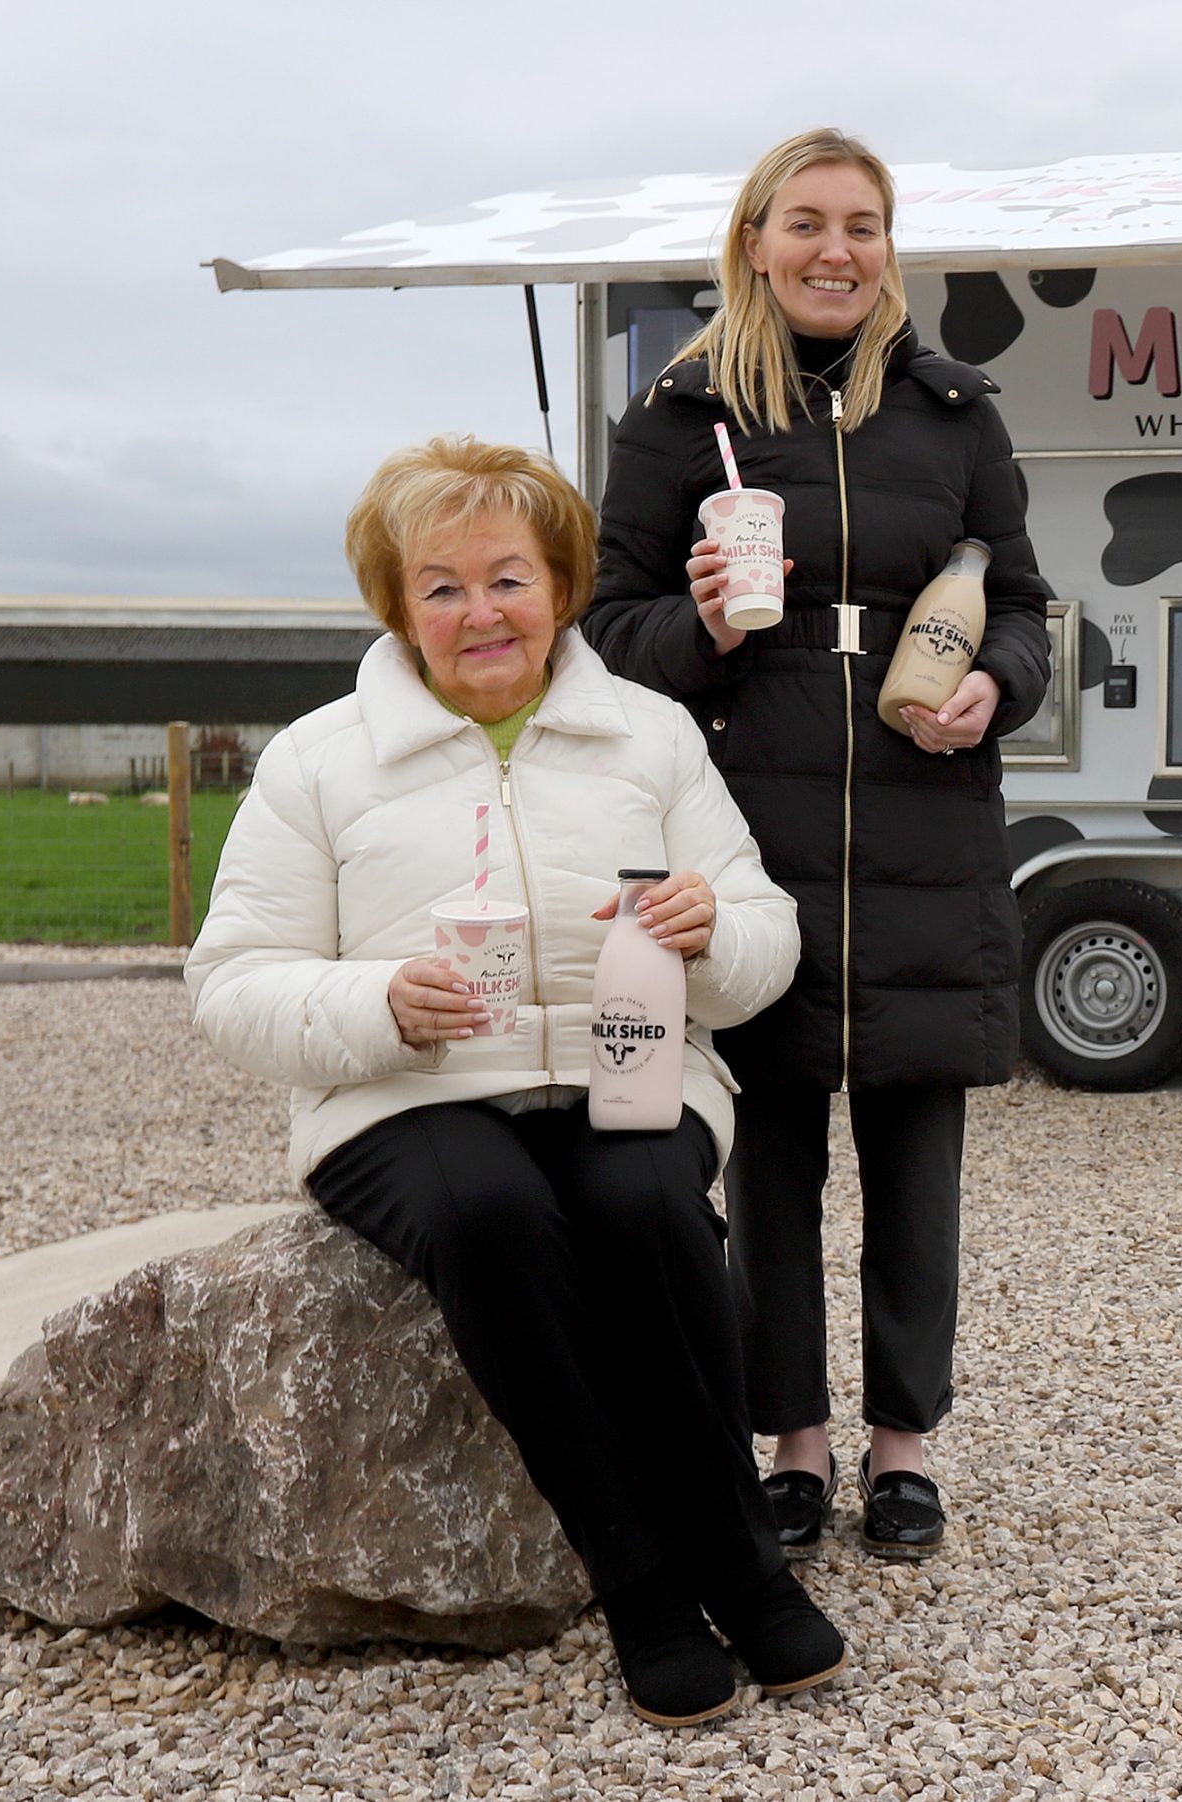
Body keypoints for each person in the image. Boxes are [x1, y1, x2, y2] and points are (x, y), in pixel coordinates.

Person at [185, 436, 843, 1728]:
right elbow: (230, 979)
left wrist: (716, 928)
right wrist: (377, 1001)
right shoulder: (318, 761)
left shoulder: (649, 737)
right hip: (408, 1091)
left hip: (626, 1069)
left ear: (563, 587)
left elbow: (767, 940)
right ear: (396, 605)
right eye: (442, 586)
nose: (480, 611)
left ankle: (738, 1553)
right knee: (489, 1213)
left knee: (647, 1208)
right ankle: (645, 1577)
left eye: (509, 578)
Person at [584, 127, 1053, 1563]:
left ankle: (904, 1446)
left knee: (918, 1157)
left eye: (863, 225)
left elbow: (1025, 607)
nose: (835, 249)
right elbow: (609, 630)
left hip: (927, 828)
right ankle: (791, 1439)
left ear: (889, 248)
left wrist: (998, 686)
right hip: (750, 832)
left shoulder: (956, 414)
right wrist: (708, 629)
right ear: (756, 241)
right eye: (807, 223)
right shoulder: (678, 418)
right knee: (769, 1159)